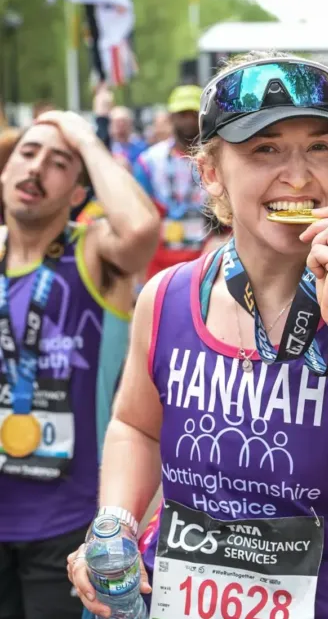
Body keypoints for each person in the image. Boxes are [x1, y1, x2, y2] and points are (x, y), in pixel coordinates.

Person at [68, 51, 328, 619]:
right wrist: (114, 523)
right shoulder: (165, 298)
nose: (300, 175)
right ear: (211, 172)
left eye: (320, 148)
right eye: (265, 149)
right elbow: (136, 425)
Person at [0, 110, 160, 619]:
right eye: (28, 154)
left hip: (67, 528)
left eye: (58, 163)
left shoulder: (92, 254)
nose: (36, 169)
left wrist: (88, 140)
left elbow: (140, 226)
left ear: (76, 193)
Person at [133, 85, 217, 280]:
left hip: (206, 261)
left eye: (192, 114)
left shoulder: (218, 160)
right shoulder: (149, 161)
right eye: (182, 114)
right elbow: (141, 214)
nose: (187, 120)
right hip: (159, 261)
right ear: (171, 117)